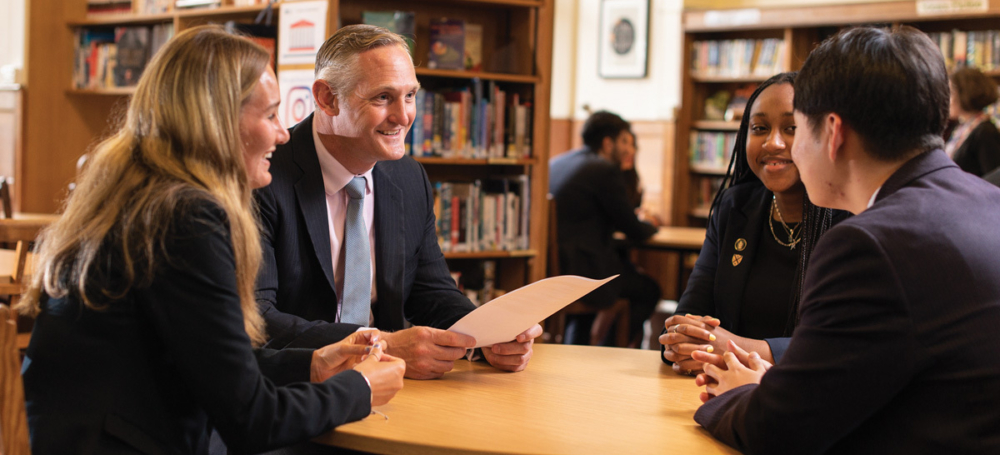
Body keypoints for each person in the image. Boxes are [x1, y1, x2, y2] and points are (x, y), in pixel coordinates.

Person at [18, 25, 406, 455]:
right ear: (219, 120)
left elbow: (205, 359)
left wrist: (313, 363)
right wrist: (361, 388)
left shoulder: (147, 195)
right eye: (271, 115)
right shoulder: (186, 219)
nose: (282, 134)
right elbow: (252, 418)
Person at [692, 26, 1000, 453]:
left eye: (798, 128)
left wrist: (737, 394)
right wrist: (776, 385)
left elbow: (778, 431)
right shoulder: (990, 202)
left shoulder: (868, 245)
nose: (789, 150)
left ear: (832, 132)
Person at [255, 24, 540, 380]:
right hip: (296, 391)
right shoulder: (263, 176)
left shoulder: (408, 178)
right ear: (327, 99)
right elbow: (258, 318)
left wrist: (487, 339)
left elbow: (430, 291)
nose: (404, 116)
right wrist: (380, 345)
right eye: (383, 98)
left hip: (391, 388)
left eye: (410, 96)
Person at [659, 73, 844, 374]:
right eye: (759, 128)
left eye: (791, 128)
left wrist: (733, 348)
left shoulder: (852, 219)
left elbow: (840, 345)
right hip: (717, 393)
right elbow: (690, 315)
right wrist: (682, 342)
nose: (773, 142)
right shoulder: (734, 207)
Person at [548, 111, 661, 346]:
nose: (629, 149)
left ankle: (582, 351)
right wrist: (651, 225)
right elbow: (634, 229)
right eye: (624, 142)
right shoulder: (603, 170)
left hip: (556, 270)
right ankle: (613, 350)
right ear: (608, 143)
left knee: (625, 275)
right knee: (649, 290)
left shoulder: (558, 162)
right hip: (587, 273)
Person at [945, 66, 1000, 176]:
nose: (947, 100)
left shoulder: (985, 131)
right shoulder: (961, 127)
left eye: (951, 93)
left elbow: (992, 179)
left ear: (965, 94)